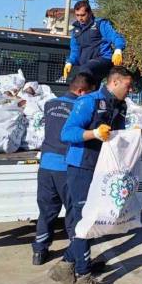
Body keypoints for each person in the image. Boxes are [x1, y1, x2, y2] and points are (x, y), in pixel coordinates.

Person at [48, 66, 133, 284]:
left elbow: (116, 136)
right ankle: (82, 277)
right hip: (81, 168)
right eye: (128, 85)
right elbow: (67, 133)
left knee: (97, 219)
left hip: (103, 169)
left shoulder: (121, 106)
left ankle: (65, 265)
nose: (131, 89)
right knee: (86, 220)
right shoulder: (89, 102)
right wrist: (94, 133)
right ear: (115, 83)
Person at [31, 72, 97, 266]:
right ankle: (77, 255)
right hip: (65, 167)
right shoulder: (80, 107)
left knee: (46, 211)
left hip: (45, 166)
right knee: (74, 213)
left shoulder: (50, 104)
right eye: (89, 93)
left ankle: (39, 251)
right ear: (81, 91)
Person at [62, 0, 126, 83]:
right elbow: (75, 51)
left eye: (83, 15)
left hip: (103, 60)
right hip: (87, 66)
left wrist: (118, 50)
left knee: (84, 72)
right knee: (79, 81)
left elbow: (116, 37)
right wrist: (69, 62)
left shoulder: (100, 24)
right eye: (77, 15)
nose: (80, 18)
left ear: (89, 13)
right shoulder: (75, 31)